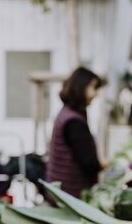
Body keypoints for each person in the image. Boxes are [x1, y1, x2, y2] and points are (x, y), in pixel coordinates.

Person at [45, 67, 106, 198]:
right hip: (69, 194)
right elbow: (89, 163)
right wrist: (108, 163)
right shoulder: (74, 121)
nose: (96, 94)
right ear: (81, 87)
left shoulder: (68, 112)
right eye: (94, 88)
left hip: (61, 190)